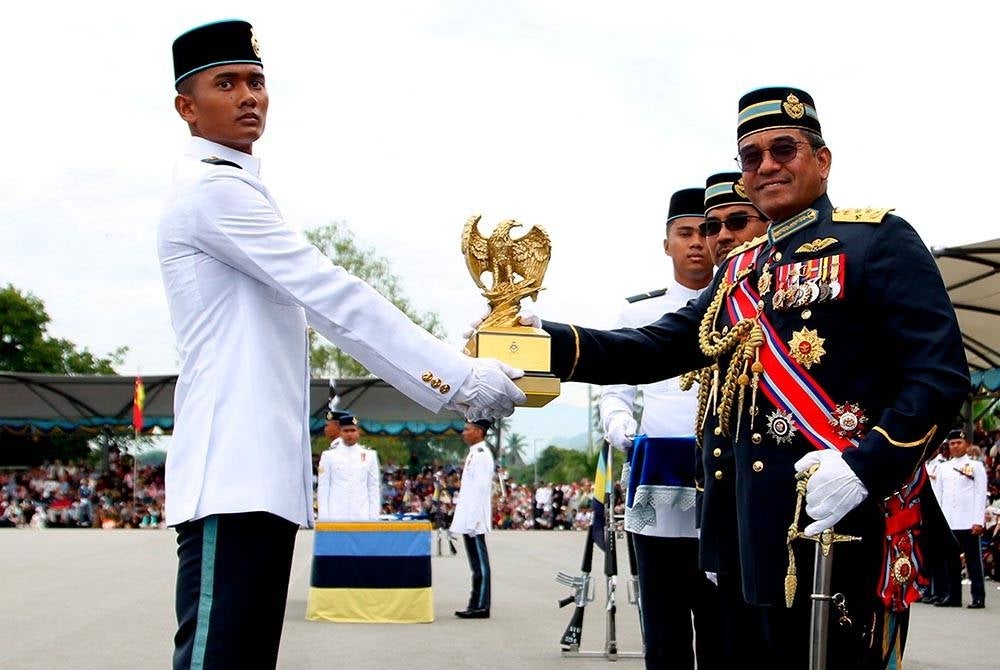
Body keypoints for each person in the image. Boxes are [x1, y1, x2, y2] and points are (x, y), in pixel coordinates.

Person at [518, 86, 969, 667]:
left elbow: (938, 374)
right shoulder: (739, 270)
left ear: (822, 160)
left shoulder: (877, 240)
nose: (767, 167)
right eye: (751, 157)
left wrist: (865, 467)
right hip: (752, 530)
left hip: (844, 515)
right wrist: (542, 343)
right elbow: (656, 346)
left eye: (784, 150)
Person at [159, 20, 525, 670]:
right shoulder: (213, 194)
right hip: (233, 479)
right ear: (187, 107)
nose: (249, 96)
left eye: (257, 81)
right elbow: (337, 298)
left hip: (258, 481)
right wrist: (461, 381)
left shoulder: (238, 187)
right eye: (227, 83)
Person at [598, 187, 717, 670]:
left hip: (721, 486)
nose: (695, 243)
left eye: (704, 232)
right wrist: (621, 426)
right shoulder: (640, 315)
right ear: (666, 243)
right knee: (663, 629)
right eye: (683, 233)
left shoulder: (749, 306)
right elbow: (615, 391)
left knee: (722, 627)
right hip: (658, 485)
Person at [692, 172, 768, 665]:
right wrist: (551, 340)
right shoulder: (716, 305)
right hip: (729, 514)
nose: (721, 238)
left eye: (737, 222)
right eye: (712, 226)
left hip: (791, 517)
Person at [931, 428, 988, 608]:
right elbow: (938, 496)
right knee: (951, 562)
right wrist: (938, 522)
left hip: (968, 520)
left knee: (973, 561)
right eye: (952, 443)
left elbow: (980, 494)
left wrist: (978, 520)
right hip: (949, 521)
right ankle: (953, 596)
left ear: (967, 444)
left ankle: (978, 596)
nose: (955, 446)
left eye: (959, 443)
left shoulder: (976, 466)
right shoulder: (942, 468)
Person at [451, 419, 496, 619]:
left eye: (467, 429)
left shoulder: (481, 455)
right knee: (475, 564)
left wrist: (474, 519)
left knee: (480, 564)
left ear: (479, 432)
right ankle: (475, 602)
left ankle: (481, 605)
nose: (464, 432)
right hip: (470, 517)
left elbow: (480, 489)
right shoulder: (474, 453)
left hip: (475, 518)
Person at [316, 414, 381, 521]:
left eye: (352, 430)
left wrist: (373, 518)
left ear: (358, 432)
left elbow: (373, 488)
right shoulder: (328, 456)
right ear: (340, 433)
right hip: (336, 516)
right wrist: (324, 519)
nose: (349, 434)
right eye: (345, 431)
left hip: (361, 516)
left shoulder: (370, 456)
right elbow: (323, 489)